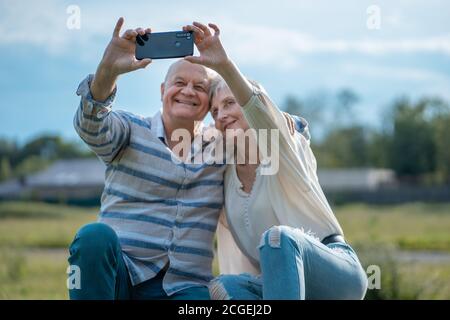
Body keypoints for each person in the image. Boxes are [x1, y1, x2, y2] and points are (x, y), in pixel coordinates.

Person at [182, 21, 368, 299]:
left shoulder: (283, 148)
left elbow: (261, 113)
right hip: (275, 284)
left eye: (230, 103)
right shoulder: (222, 173)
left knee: (277, 238)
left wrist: (223, 66)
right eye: (215, 110)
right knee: (223, 288)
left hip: (334, 270)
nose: (221, 115)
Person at [68, 17, 226, 300]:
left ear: (209, 103)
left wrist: (224, 65)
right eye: (179, 83)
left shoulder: (222, 145)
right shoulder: (131, 129)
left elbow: (279, 132)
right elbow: (90, 125)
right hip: (123, 275)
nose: (188, 91)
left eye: (200, 87)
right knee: (93, 238)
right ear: (163, 91)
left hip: (186, 285)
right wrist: (109, 69)